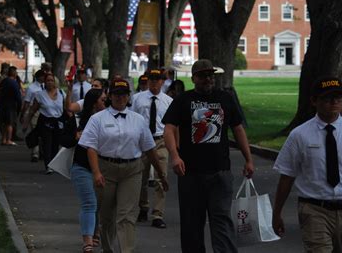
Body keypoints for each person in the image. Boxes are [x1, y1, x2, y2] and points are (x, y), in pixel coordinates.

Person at [162, 59, 254, 253]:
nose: (208, 79)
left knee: (221, 222)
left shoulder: (225, 98)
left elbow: (238, 129)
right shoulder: (183, 100)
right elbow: (169, 129)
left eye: (211, 75)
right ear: (194, 78)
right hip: (190, 174)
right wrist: (175, 156)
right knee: (191, 225)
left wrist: (248, 159)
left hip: (220, 173)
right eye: (203, 76)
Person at [272, 76, 342, 252]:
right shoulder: (299, 135)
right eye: (327, 98)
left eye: (338, 97)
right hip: (314, 209)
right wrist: (276, 213)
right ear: (314, 101)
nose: (334, 102)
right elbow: (287, 176)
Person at [79, 78, 169, 253]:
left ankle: (126, 250)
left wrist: (161, 174)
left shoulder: (138, 120)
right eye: (116, 94)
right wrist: (96, 172)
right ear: (110, 96)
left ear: (129, 97)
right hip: (106, 169)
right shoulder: (97, 119)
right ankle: (108, 248)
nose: (120, 98)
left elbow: (149, 149)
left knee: (127, 215)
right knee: (107, 215)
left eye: (124, 94)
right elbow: (90, 147)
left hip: (132, 170)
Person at [131, 69, 173, 229]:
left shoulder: (168, 101)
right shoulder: (137, 99)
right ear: (148, 81)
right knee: (141, 178)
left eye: (157, 79)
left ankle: (158, 214)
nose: (154, 82)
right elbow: (132, 119)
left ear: (162, 81)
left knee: (161, 178)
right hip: (142, 141)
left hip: (160, 140)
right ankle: (143, 207)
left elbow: (171, 125)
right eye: (152, 79)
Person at [71, 88, 107, 253]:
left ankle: (96, 231)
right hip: (82, 167)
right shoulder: (79, 120)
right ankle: (88, 241)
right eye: (102, 100)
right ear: (94, 103)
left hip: (104, 167)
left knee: (100, 205)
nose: (105, 103)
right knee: (89, 203)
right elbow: (64, 139)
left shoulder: (109, 119)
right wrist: (76, 136)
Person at [23, 73, 66, 174]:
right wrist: (26, 123)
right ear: (45, 82)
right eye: (48, 80)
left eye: (52, 80)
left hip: (58, 122)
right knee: (47, 144)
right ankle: (48, 165)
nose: (50, 82)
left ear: (55, 82)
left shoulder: (61, 93)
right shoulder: (40, 95)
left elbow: (66, 108)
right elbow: (32, 110)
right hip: (45, 121)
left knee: (55, 145)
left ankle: (54, 164)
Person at [20, 69, 45, 162]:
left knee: (43, 133)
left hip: (44, 110)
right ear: (39, 77)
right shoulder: (32, 88)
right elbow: (27, 101)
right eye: (43, 76)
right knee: (35, 131)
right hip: (34, 111)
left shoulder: (45, 87)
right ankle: (35, 153)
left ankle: (42, 152)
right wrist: (23, 114)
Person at [0, 66, 22, 146]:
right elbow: (18, 97)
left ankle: (3, 139)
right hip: (11, 105)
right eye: (16, 72)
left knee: (4, 123)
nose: (17, 73)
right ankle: (9, 140)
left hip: (2, 104)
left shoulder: (4, 81)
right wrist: (20, 106)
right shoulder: (13, 83)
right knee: (10, 123)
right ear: (14, 73)